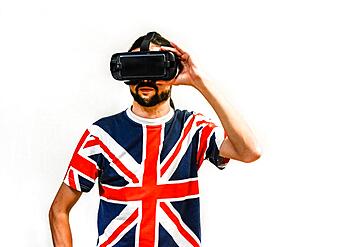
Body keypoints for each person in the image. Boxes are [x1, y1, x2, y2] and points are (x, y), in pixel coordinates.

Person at [49, 32, 261, 247]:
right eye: (136, 67)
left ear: (173, 72)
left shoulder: (193, 130)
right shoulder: (101, 136)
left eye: (154, 67)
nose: (145, 78)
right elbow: (59, 209)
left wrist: (199, 80)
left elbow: (249, 151)